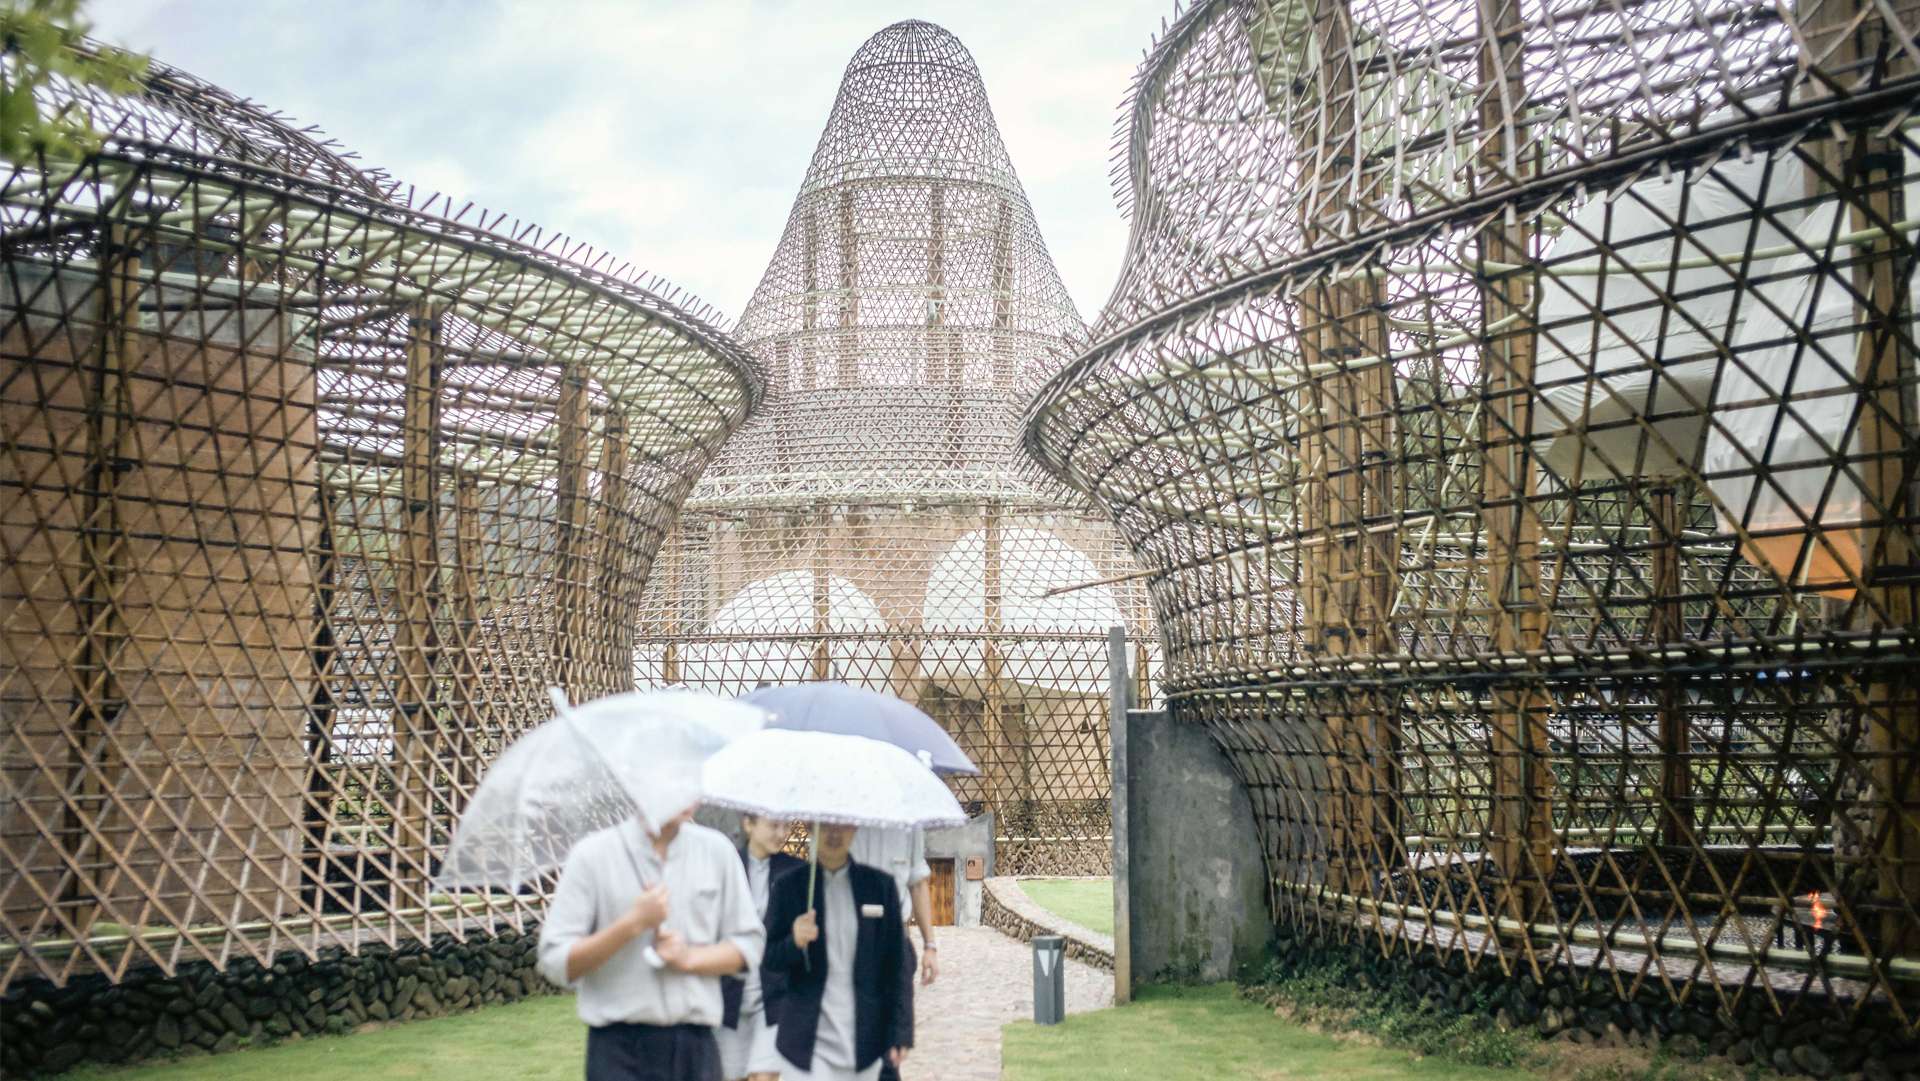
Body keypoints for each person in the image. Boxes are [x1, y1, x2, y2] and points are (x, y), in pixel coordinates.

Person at [538, 805, 766, 1081]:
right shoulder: (593, 856)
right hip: (618, 1051)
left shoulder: (717, 852)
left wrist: (688, 958)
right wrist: (631, 924)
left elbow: (749, 945)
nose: (683, 793)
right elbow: (556, 962)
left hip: (695, 1047)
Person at [760, 822, 913, 1081]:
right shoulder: (789, 888)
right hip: (806, 1042)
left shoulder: (880, 887)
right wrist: (793, 941)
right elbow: (768, 959)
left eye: (842, 826)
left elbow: (897, 965)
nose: (834, 834)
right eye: (825, 826)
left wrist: (900, 1031)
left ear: (854, 828)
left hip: (865, 1039)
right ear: (810, 829)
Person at [718, 815, 802, 1081]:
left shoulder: (797, 873)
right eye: (773, 825)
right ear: (748, 824)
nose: (781, 833)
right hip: (729, 994)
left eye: (785, 826)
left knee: (764, 1076)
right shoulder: (725, 867)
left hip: (776, 995)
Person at [849, 826, 935, 1081]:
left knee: (890, 1051)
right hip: (849, 943)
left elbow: (917, 882)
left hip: (893, 943)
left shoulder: (909, 821)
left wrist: (930, 944)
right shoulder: (841, 813)